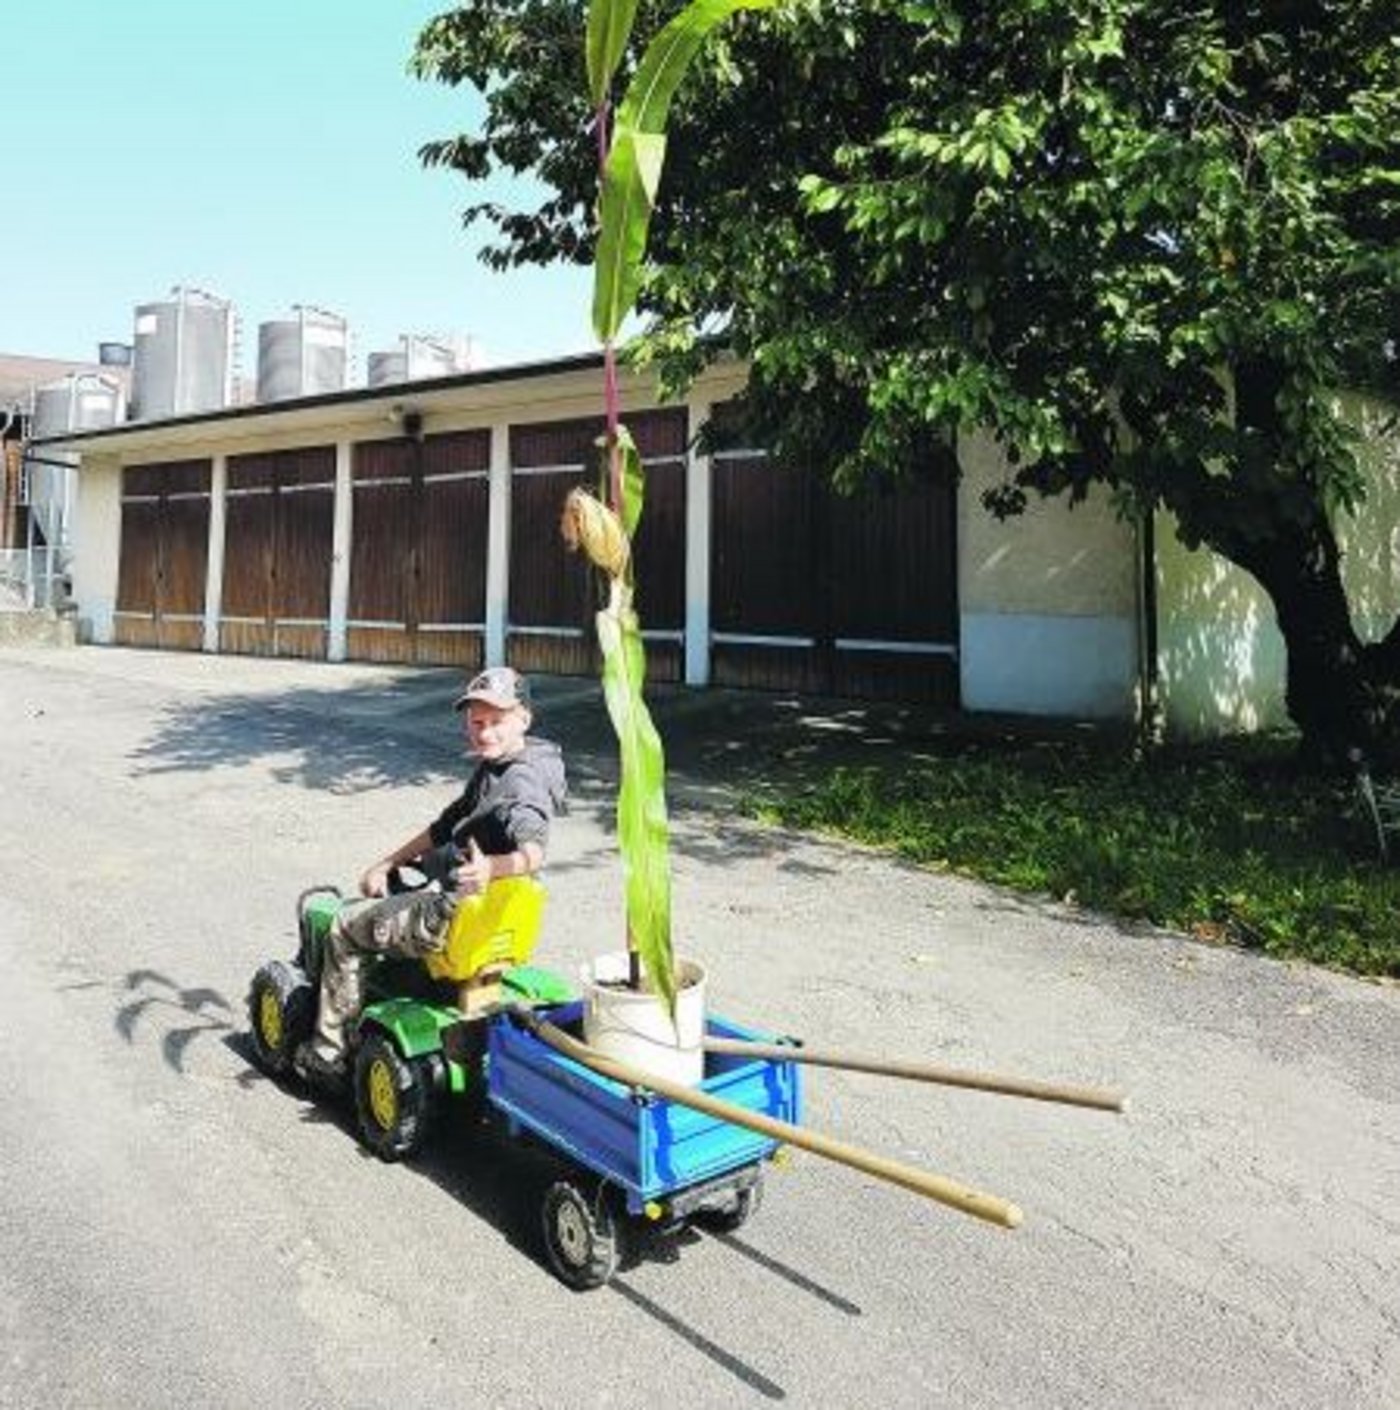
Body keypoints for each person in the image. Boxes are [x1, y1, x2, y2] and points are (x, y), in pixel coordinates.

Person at [294, 666, 567, 1088]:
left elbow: (532, 848)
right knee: (412, 881)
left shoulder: (520, 784)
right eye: (477, 722)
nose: (485, 733)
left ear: (523, 719)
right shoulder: (510, 765)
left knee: (344, 928)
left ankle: (328, 1053)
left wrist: (492, 867)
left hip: (453, 915)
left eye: (497, 721)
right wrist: (388, 863)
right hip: (489, 916)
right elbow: (444, 827)